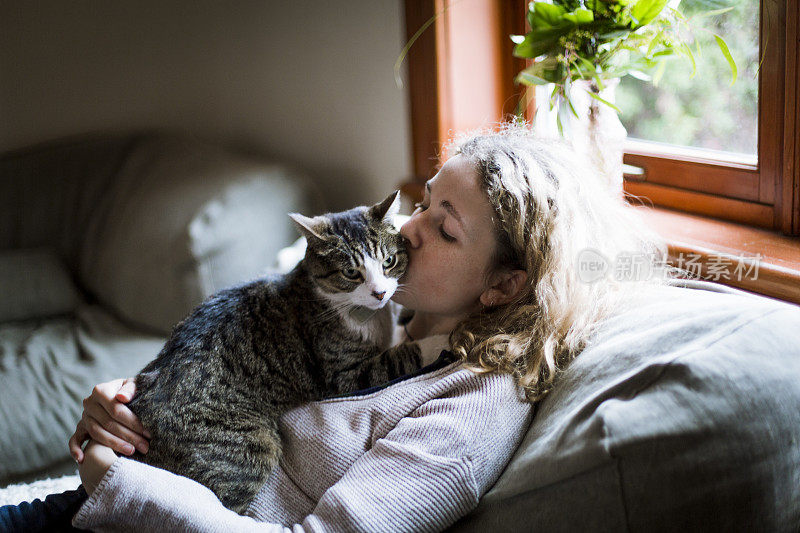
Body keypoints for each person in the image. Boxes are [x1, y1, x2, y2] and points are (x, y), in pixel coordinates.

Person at [1, 122, 666, 532]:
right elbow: (224, 352)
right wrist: (120, 404)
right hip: (103, 495)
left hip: (129, 507)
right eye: (425, 201)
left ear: (503, 285)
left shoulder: (472, 407)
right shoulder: (381, 298)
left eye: (444, 227)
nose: (407, 227)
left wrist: (115, 480)